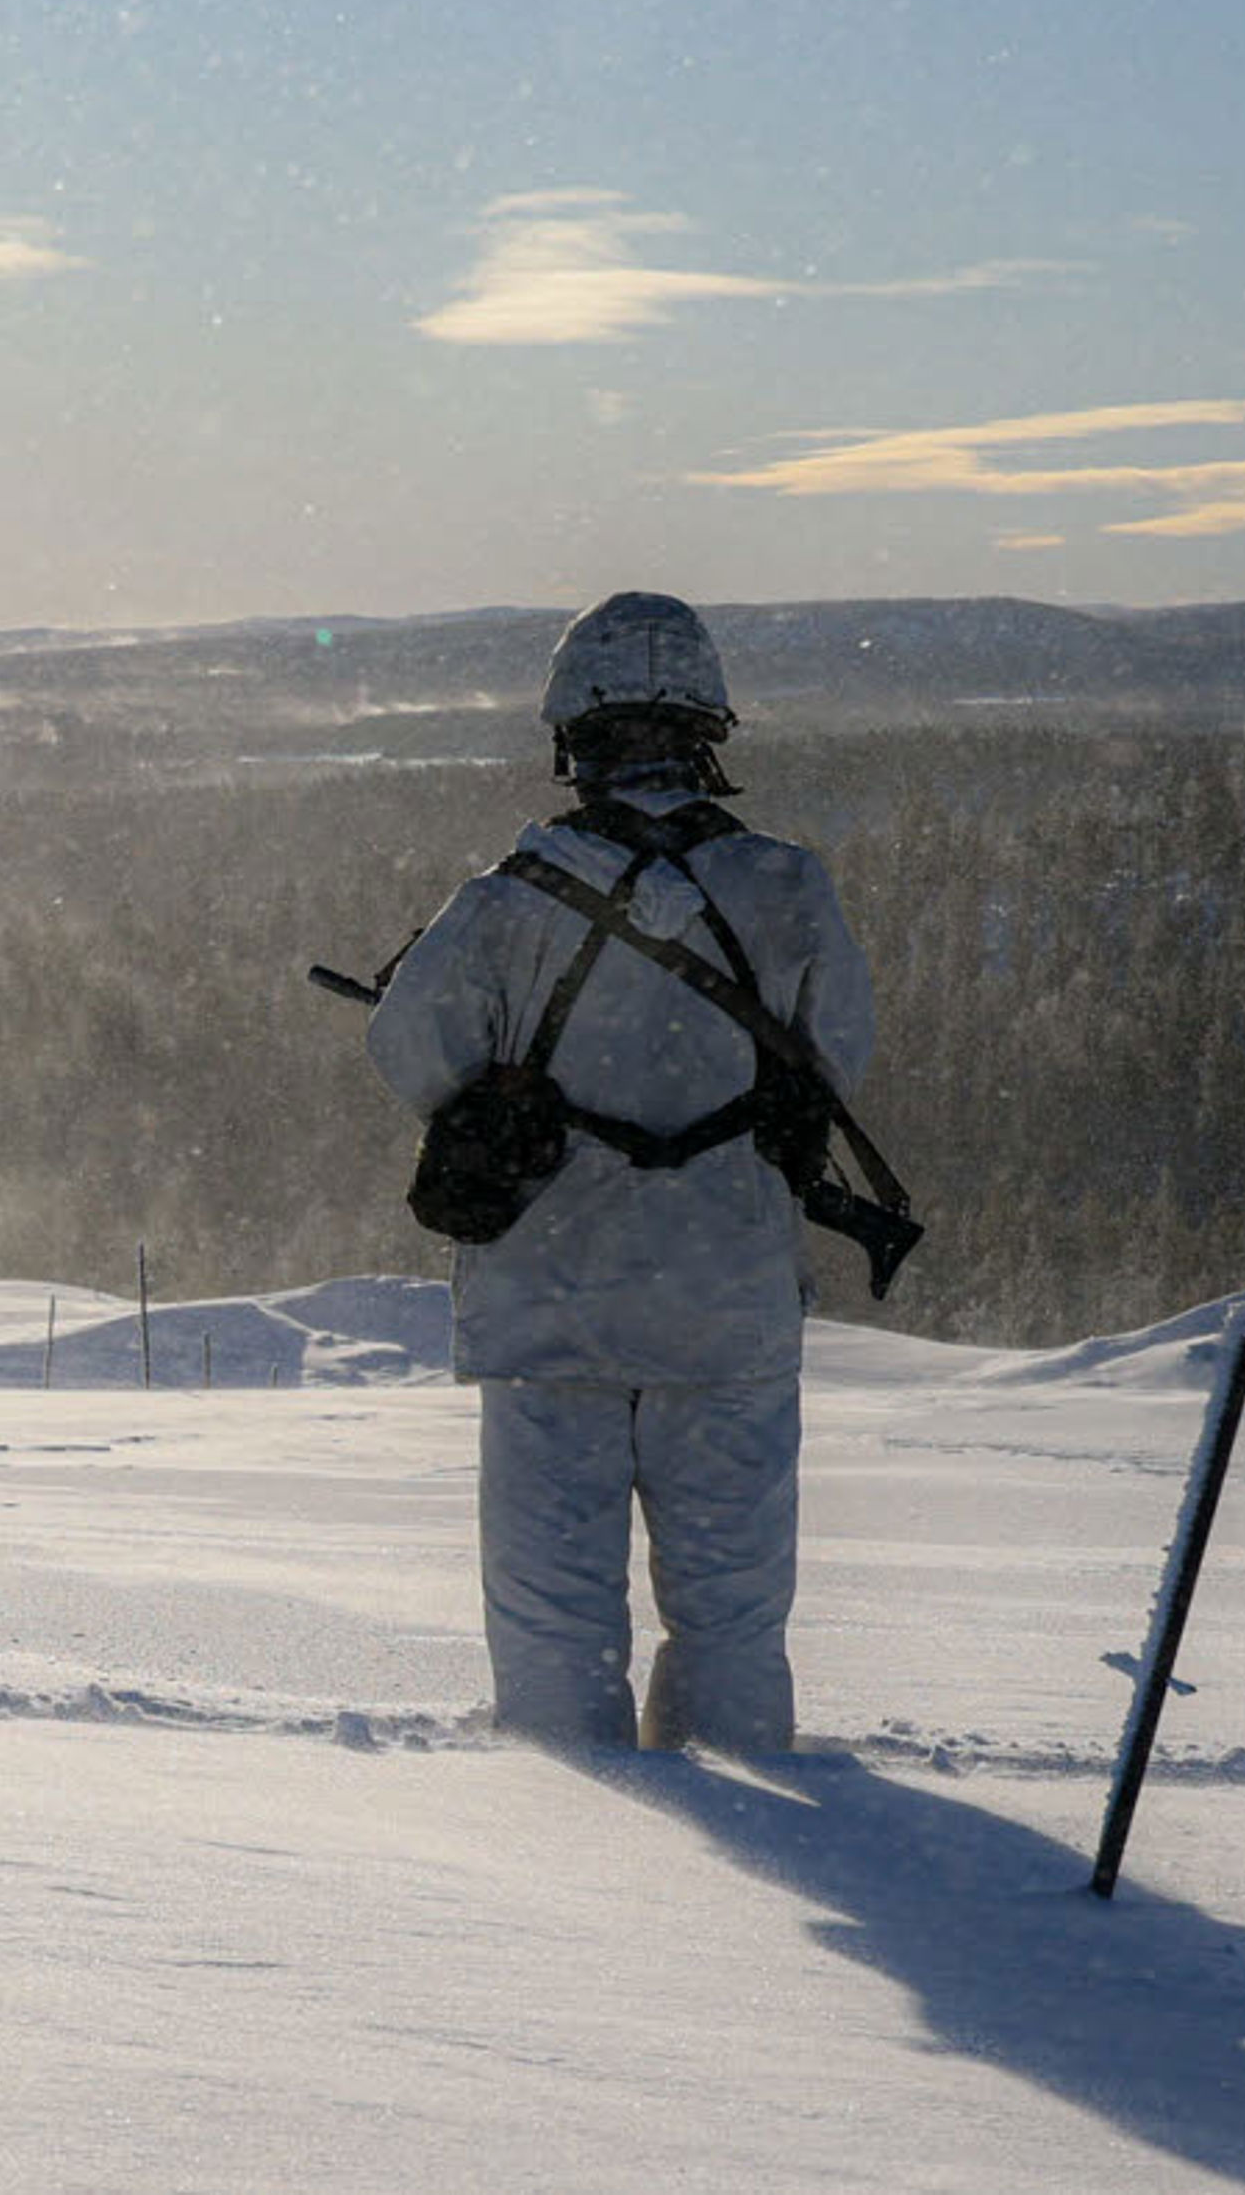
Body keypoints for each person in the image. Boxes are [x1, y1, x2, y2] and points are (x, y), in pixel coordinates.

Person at [364, 591, 876, 1756]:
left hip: (549, 1305)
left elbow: (410, 1051)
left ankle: (584, 1867)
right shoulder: (786, 887)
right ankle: (744, 1801)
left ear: (569, 735)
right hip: (727, 1298)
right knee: (734, 1614)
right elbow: (837, 1055)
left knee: (553, 1619)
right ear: (709, 725)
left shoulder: (501, 903)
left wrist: (525, 1109)